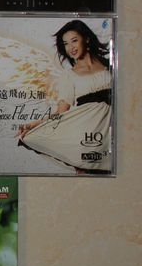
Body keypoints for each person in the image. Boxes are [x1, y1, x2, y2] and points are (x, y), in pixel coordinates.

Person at [17, 20, 112, 174]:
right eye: (66, 44)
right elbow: (61, 112)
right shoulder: (69, 76)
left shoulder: (110, 65)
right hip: (84, 137)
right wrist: (34, 124)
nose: (71, 47)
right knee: (86, 178)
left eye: (74, 40)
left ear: (86, 39)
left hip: (110, 133)